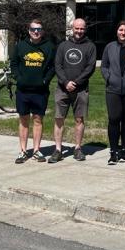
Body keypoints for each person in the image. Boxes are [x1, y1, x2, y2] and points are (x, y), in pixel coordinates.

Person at [50, 17, 97, 163]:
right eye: (77, 28)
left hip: (81, 89)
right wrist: (65, 82)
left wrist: (76, 83)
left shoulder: (90, 46)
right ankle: (58, 150)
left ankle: (77, 148)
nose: (79, 31)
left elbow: (90, 67)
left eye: (82, 28)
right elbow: (58, 65)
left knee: (79, 119)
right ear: (72, 28)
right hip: (62, 89)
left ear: (85, 29)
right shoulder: (63, 45)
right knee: (59, 119)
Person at [10, 18, 56, 164]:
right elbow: (14, 64)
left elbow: (53, 66)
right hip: (23, 90)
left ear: (42, 31)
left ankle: (36, 150)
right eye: (33, 29)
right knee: (23, 119)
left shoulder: (49, 46)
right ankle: (23, 151)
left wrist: (45, 80)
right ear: (29, 31)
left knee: (38, 119)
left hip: (40, 91)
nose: (36, 32)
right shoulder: (20, 46)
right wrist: (18, 78)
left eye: (38, 29)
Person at [101, 20, 125, 165]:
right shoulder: (110, 47)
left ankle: (124, 149)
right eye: (121, 30)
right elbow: (104, 66)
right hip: (113, 89)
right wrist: (109, 77)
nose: (123, 33)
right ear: (117, 31)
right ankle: (113, 151)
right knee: (114, 119)